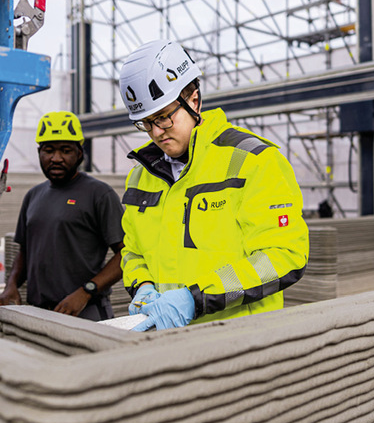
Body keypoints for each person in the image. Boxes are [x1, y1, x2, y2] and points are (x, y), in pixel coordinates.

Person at [117, 39, 309, 332]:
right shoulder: (140, 177)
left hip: (240, 344)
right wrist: (141, 286)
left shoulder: (254, 161)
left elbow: (283, 255)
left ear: (194, 101)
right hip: (165, 344)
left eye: (164, 117)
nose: (156, 132)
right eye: (145, 123)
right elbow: (132, 252)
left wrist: (197, 299)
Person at [0, 111, 125, 321]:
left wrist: (86, 291)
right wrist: (11, 286)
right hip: (38, 312)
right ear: (39, 153)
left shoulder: (99, 194)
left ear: (80, 154)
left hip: (86, 311)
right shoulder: (33, 196)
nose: (56, 158)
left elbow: (126, 254)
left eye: (65, 150)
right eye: (49, 150)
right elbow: (25, 251)